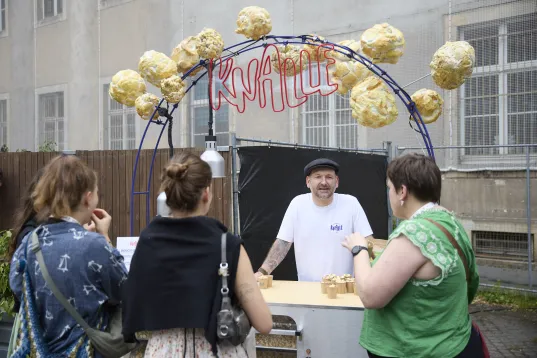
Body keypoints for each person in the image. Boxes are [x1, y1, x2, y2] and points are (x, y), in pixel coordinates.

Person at [121, 152, 273, 357]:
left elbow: (132, 307)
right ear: (206, 194)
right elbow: (264, 323)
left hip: (163, 351)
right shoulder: (227, 245)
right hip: (216, 350)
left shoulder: (147, 242)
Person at [341, 153, 485, 358]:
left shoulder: (415, 234)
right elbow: (470, 281)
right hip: (454, 341)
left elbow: (370, 296)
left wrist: (359, 249)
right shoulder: (448, 221)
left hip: (421, 350)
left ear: (402, 191)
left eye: (390, 188)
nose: (389, 193)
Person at [9, 154, 128, 358]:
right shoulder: (95, 246)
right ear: (88, 197)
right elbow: (125, 290)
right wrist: (105, 236)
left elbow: (18, 288)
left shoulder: (29, 243)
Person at [255, 158, 374, 282]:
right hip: (308, 290)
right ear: (308, 182)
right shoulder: (298, 204)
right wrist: (262, 272)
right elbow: (283, 243)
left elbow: (368, 242)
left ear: (337, 181)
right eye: (318, 177)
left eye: (329, 177)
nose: (324, 182)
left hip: (344, 289)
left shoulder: (351, 204)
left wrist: (371, 279)